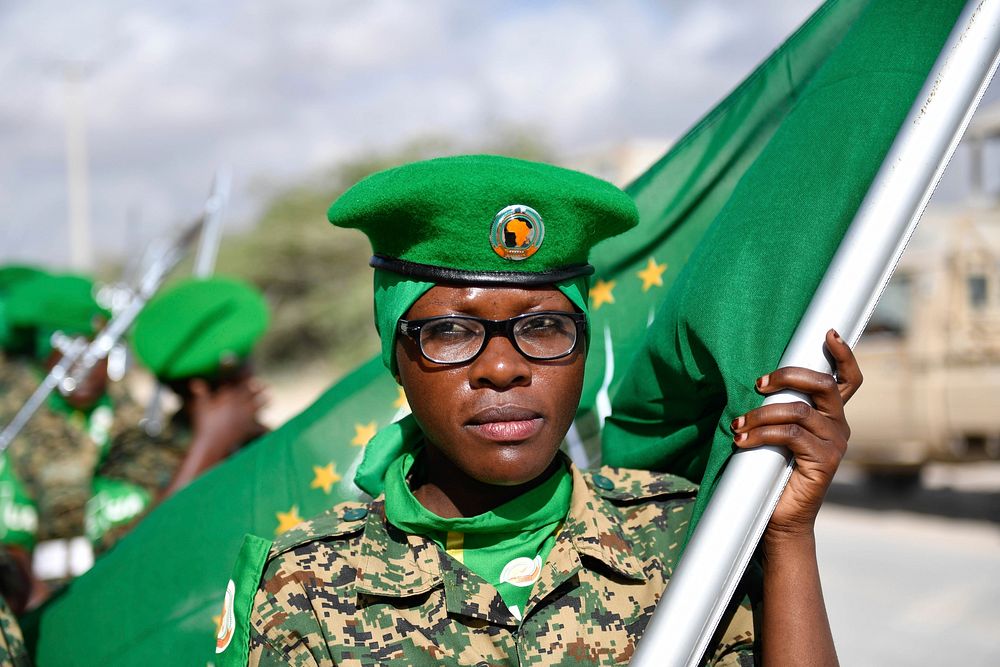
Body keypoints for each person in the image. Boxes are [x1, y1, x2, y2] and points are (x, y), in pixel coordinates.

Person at [217, 155, 860, 666]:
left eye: (546, 327)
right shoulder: (305, 582)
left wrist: (785, 536)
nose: (502, 367)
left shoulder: (687, 534)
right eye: (450, 333)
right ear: (397, 356)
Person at [89, 276, 270, 554]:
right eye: (237, 378)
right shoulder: (137, 459)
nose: (252, 384)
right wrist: (208, 447)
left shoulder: (260, 447)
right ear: (199, 391)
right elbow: (123, 563)